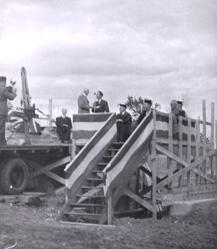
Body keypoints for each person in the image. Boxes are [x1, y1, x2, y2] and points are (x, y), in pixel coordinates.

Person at [0, 76, 17, 145]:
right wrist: (14, 92)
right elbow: (11, 97)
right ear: (3, 82)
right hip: (2, 111)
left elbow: (6, 89)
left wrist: (11, 86)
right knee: (1, 127)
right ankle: (2, 142)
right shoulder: (3, 89)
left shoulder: (3, 89)